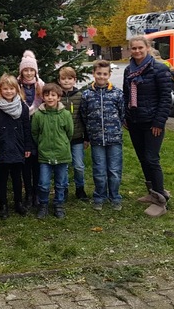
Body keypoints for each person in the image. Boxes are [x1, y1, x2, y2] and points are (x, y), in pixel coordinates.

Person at [123, 35, 173, 217]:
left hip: (153, 124)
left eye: (140, 48)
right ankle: (153, 193)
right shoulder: (129, 70)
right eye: (133, 48)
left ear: (147, 48)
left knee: (152, 159)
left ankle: (161, 201)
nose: (137, 51)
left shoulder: (159, 69)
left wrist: (159, 122)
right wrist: (126, 116)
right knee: (143, 159)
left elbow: (166, 98)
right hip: (135, 122)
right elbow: (126, 96)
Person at [80, 60, 125, 211]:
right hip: (96, 139)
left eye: (105, 74)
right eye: (99, 73)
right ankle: (99, 196)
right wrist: (87, 137)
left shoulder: (117, 93)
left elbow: (122, 113)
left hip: (114, 139)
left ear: (109, 75)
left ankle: (115, 196)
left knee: (114, 170)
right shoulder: (87, 94)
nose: (101, 77)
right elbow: (84, 116)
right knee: (99, 170)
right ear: (93, 74)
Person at [0, 74, 31, 219]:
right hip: (2, 146)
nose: (8, 91)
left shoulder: (23, 107)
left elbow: (26, 127)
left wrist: (27, 147)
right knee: (2, 177)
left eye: (12, 88)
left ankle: (18, 202)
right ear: (0, 90)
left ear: (17, 90)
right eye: (5, 89)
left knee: (17, 177)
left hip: (18, 146)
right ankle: (3, 204)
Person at [31, 83, 73, 220]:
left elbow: (69, 133)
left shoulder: (65, 114)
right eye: (47, 95)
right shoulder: (38, 115)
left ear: (59, 97)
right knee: (43, 183)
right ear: (42, 97)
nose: (50, 98)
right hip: (44, 155)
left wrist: (62, 144)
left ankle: (58, 204)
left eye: (53, 95)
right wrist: (43, 144)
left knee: (61, 183)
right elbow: (35, 133)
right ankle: (43, 205)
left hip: (62, 154)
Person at [17, 50, 44, 208]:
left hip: (38, 127)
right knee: (26, 163)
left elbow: (44, 102)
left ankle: (37, 194)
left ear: (35, 71)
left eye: (31, 70)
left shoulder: (41, 85)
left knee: (37, 163)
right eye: (25, 70)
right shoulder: (16, 84)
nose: (28, 73)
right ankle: (28, 194)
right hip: (22, 128)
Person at [58, 66, 89, 202]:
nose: (66, 81)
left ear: (74, 80)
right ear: (59, 81)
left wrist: (86, 138)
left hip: (77, 138)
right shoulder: (56, 96)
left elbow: (85, 118)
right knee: (63, 166)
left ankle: (80, 188)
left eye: (69, 79)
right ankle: (63, 189)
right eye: (63, 79)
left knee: (78, 166)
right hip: (61, 139)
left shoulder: (80, 96)